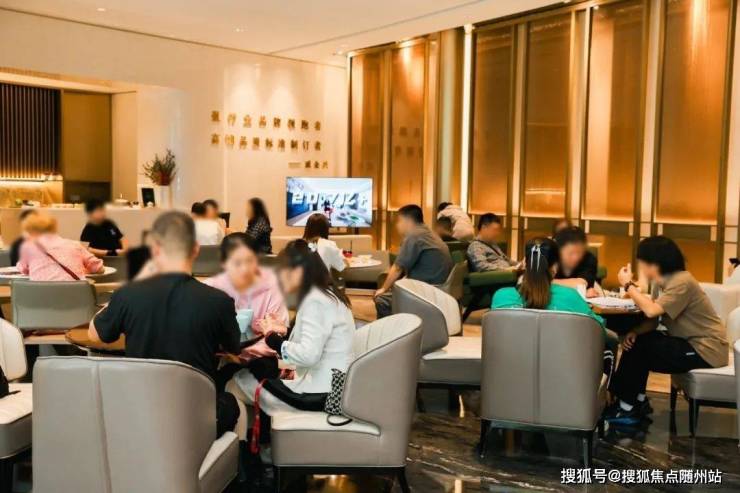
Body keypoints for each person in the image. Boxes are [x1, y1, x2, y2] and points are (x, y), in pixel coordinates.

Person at [88, 211, 241, 437]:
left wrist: (122, 295)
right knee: (229, 403)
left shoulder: (128, 295)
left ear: (156, 250)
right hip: (194, 418)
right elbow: (233, 347)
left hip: (141, 414)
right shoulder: (218, 301)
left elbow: (95, 334)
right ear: (195, 249)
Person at [225, 240, 354, 440]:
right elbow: (317, 341)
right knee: (258, 370)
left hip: (320, 394)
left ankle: (243, 451)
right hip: (333, 386)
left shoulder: (314, 301)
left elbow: (308, 355)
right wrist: (284, 332)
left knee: (235, 384)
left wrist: (272, 337)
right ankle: (263, 443)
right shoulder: (327, 295)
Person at [605, 236, 728, 425]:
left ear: (654, 263)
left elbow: (651, 310)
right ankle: (635, 402)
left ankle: (627, 408)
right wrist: (636, 332)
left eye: (642, 262)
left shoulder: (682, 281)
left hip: (707, 349)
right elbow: (654, 321)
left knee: (643, 348)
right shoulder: (659, 282)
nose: (641, 267)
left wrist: (628, 285)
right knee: (638, 343)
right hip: (688, 342)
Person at [491, 237, 613, 378]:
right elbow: (598, 331)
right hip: (563, 378)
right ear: (555, 267)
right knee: (610, 345)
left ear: (525, 264)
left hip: (510, 377)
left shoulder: (501, 297)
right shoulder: (570, 296)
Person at [374, 204, 453, 318]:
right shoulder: (428, 233)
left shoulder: (414, 236)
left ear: (408, 221)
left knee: (381, 300)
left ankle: (397, 328)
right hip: (440, 287)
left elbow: (398, 268)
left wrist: (383, 289)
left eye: (399, 221)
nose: (397, 225)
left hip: (427, 291)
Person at [204, 233, 289, 334]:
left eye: (250, 261)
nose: (244, 269)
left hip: (262, 343)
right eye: (237, 263)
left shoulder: (271, 288)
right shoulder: (209, 288)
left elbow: (279, 331)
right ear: (223, 263)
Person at [17, 213, 104, 281]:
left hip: (39, 297)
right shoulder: (75, 245)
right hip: (74, 296)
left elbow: (23, 269)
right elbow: (98, 268)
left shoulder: (28, 248)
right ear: (54, 228)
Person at [553, 226, 599, 297]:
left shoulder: (589, 258)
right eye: (571, 252)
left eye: (579, 252)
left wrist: (549, 283)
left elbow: (581, 284)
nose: (575, 257)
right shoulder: (551, 257)